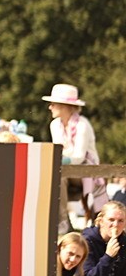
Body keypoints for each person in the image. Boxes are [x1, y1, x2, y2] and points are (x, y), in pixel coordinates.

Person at [44, 83, 107, 228]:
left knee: (59, 174)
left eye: (53, 104)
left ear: (65, 106)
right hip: (67, 170)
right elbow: (59, 151)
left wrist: (57, 160)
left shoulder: (82, 125)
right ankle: (62, 221)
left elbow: (78, 157)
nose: (50, 107)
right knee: (56, 175)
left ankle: (63, 223)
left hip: (87, 171)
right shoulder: (54, 125)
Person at [81, 202, 126, 276]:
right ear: (101, 221)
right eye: (111, 220)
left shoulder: (123, 242)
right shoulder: (87, 241)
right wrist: (108, 257)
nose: (116, 224)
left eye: (120, 221)